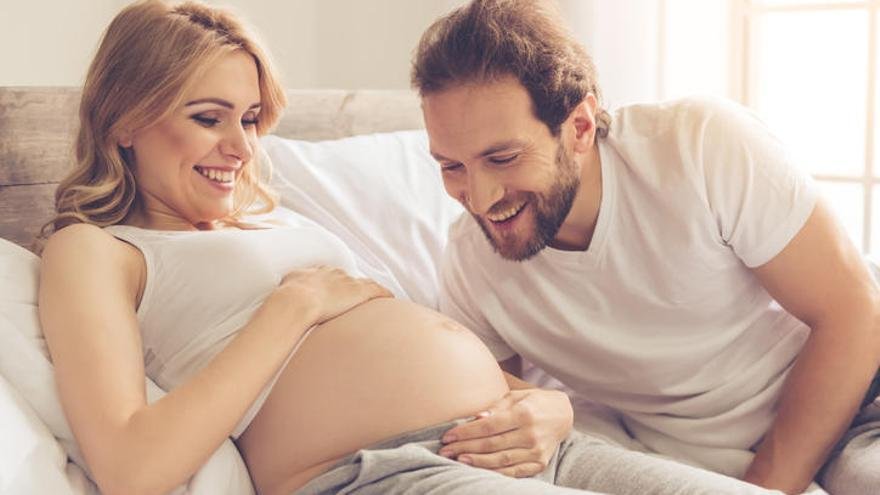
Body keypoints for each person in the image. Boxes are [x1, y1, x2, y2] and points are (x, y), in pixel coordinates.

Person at [36, 1, 787, 495]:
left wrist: (548, 406)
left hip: (524, 442)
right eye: (209, 117)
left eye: (253, 119)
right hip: (385, 472)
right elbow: (133, 466)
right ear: (126, 118)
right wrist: (294, 305)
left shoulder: (267, 215)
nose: (241, 146)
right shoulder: (95, 248)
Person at [411, 1, 880, 494]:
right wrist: (547, 408)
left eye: (503, 157)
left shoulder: (701, 147)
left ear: (579, 128)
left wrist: (766, 488)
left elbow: (856, 313)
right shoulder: (472, 265)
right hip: (686, 456)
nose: (481, 199)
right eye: (451, 167)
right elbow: (488, 404)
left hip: (857, 402)